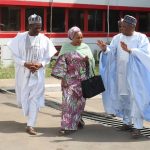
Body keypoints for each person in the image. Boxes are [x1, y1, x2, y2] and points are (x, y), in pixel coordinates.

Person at [97, 15, 150, 138]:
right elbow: (112, 51)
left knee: (135, 99)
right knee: (124, 98)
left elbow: (146, 54)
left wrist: (131, 51)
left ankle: (137, 127)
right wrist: (105, 49)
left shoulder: (141, 38)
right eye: (121, 26)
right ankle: (127, 122)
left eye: (125, 27)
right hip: (120, 74)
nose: (122, 29)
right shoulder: (117, 37)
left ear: (132, 26)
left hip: (136, 75)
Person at [7, 14, 57, 135]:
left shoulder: (45, 39)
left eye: (40, 27)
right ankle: (30, 117)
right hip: (23, 72)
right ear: (29, 26)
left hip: (38, 73)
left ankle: (31, 124)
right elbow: (15, 56)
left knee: (34, 97)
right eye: (36, 27)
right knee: (24, 97)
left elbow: (48, 58)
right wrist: (25, 64)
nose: (38, 30)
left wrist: (40, 65)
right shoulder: (19, 38)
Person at [51, 26, 95, 136]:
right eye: (77, 38)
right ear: (71, 37)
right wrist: (63, 79)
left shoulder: (85, 47)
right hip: (69, 80)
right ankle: (66, 126)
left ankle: (77, 120)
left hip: (82, 80)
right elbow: (61, 64)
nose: (80, 40)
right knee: (68, 103)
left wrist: (88, 60)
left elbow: (93, 61)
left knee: (80, 104)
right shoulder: (66, 48)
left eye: (81, 37)